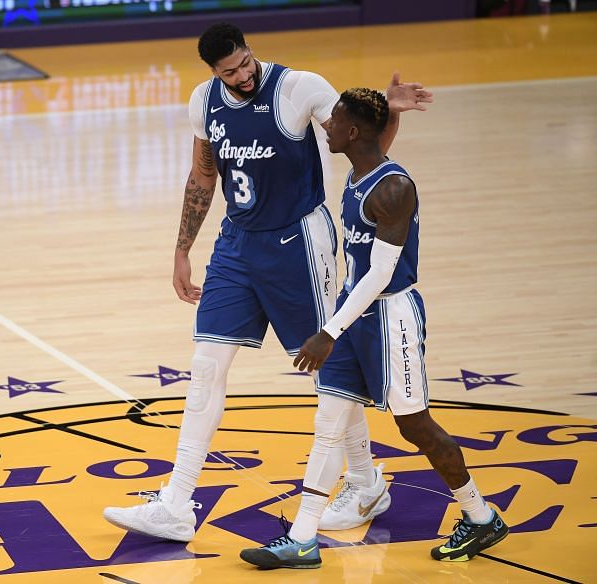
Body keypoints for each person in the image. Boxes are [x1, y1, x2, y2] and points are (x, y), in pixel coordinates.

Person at [103, 22, 431, 543]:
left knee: (331, 369)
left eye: (246, 62)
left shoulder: (300, 88)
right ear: (214, 73)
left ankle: (367, 482)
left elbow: (361, 145)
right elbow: (202, 176)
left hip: (298, 242)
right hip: (236, 245)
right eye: (230, 71)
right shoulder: (203, 102)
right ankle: (176, 503)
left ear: (251, 52)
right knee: (206, 366)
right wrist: (181, 249)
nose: (243, 74)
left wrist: (388, 112)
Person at [239, 88, 510, 569]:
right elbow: (376, 137)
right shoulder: (359, 167)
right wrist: (391, 106)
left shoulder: (392, 189)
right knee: (328, 425)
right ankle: (302, 538)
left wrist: (329, 331)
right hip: (352, 313)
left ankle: (480, 514)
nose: (325, 125)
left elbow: (381, 275)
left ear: (353, 131)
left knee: (415, 428)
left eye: (334, 120)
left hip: (390, 316)